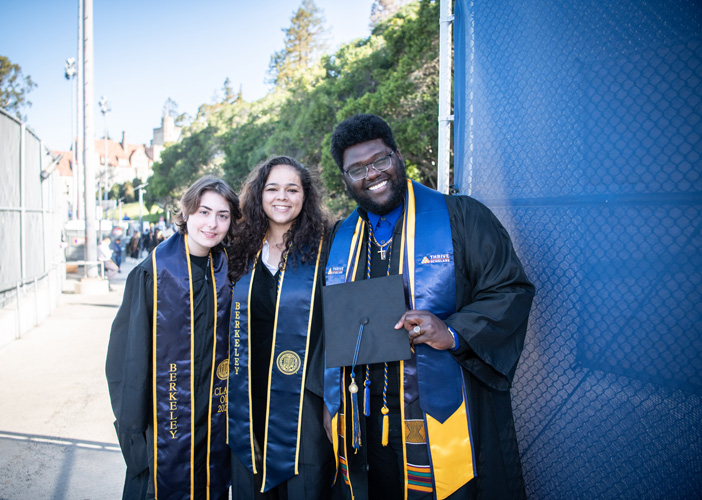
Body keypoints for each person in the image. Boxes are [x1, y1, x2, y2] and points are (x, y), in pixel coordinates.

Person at [323, 114, 535, 500]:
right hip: (364, 422)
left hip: (442, 415)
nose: (371, 174)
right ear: (345, 180)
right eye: (357, 170)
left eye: (380, 160)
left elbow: (511, 290)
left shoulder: (462, 217)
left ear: (398, 156)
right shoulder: (341, 236)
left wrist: (451, 331)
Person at [105, 176, 241, 499]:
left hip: (213, 424)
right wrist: (136, 435)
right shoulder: (153, 273)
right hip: (164, 428)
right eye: (204, 212)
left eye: (222, 215)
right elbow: (128, 360)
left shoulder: (229, 271)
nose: (212, 224)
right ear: (186, 212)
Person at [227, 156, 336, 499]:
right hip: (247, 392)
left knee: (306, 482)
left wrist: (331, 399)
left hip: (304, 395)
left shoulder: (326, 246)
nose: (282, 197)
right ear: (259, 195)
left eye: (293, 189)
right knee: (251, 482)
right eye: (272, 188)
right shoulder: (239, 249)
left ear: (306, 196)